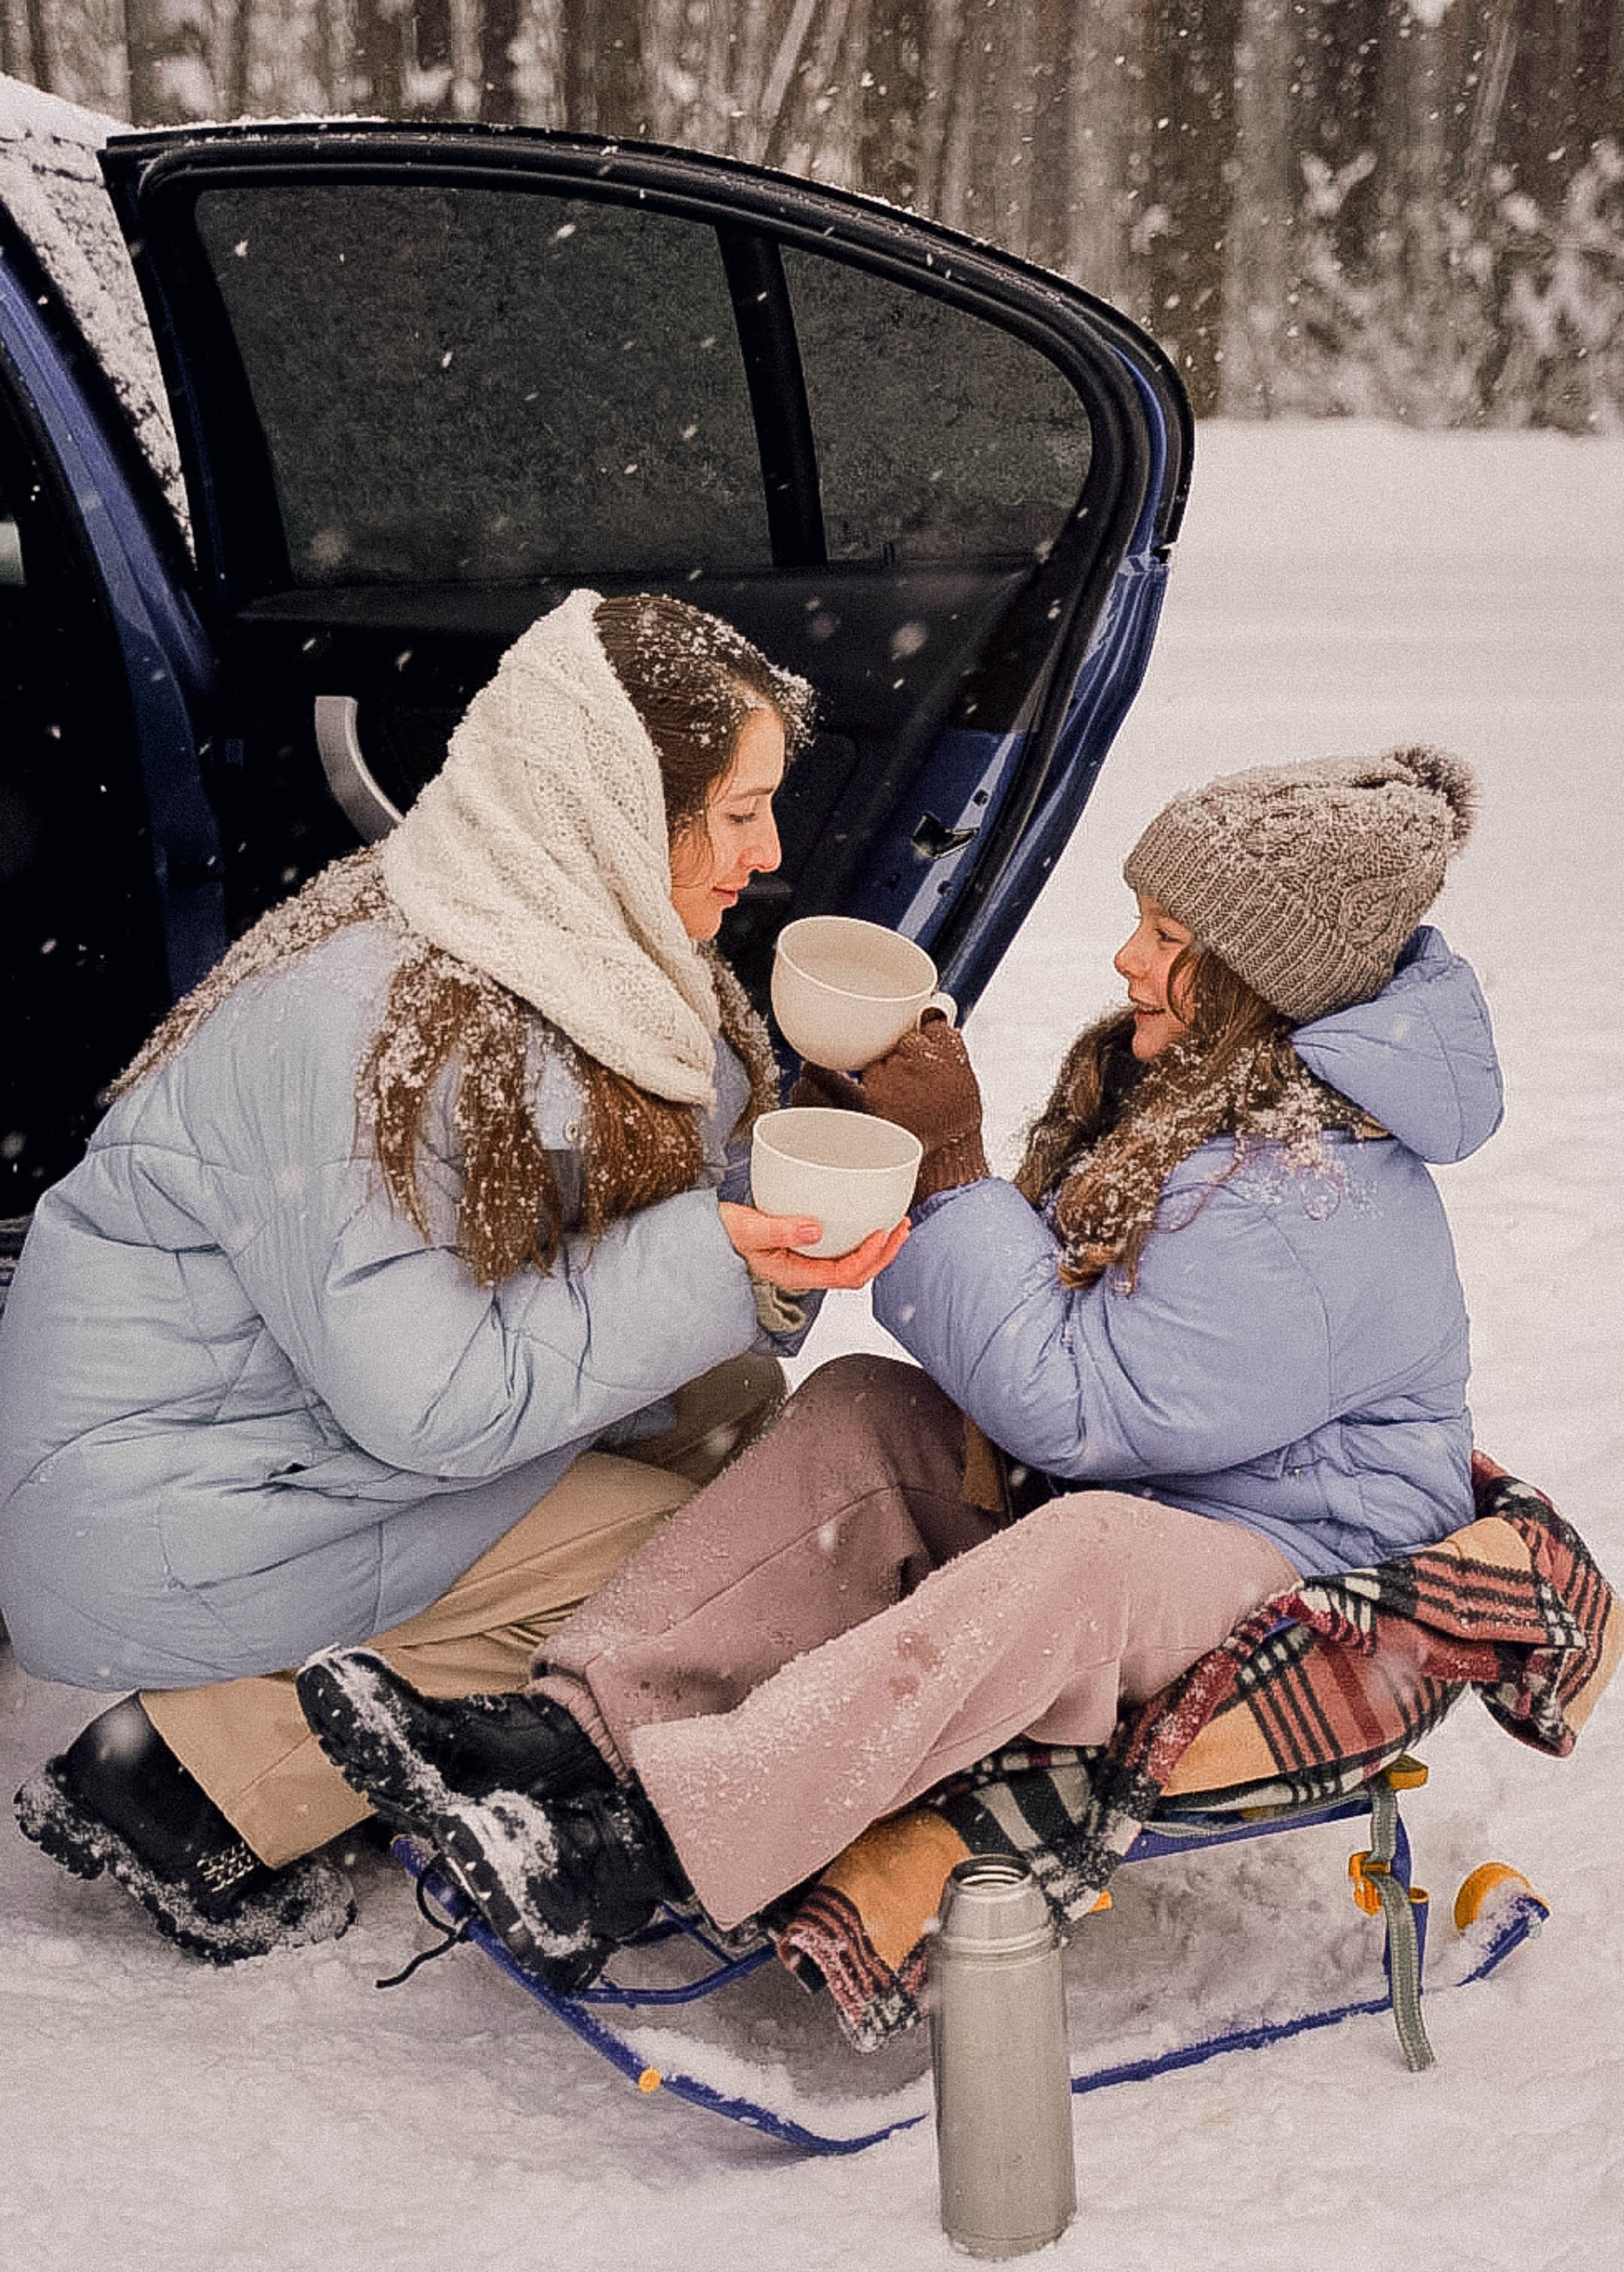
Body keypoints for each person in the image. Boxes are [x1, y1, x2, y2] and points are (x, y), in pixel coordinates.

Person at [297, 744, 1503, 1985]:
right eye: (1137, 923)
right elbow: (1069, 1327)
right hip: (1173, 1495)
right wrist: (900, 1150)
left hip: (1310, 1568)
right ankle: (566, 1735)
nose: (1126, 959)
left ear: (1259, 976)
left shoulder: (1306, 1197)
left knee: (1083, 1556)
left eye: (1165, 935)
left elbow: (1078, 1412)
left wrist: (950, 1171)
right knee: (867, 1409)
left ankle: (642, 1844)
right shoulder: (1211, 1094)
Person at [1, 588, 906, 1962]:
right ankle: (184, 1782)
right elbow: (428, 1409)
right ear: (612, 805)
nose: (769, 852)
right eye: (735, 811)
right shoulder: (370, 1026)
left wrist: (773, 1197)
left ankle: (448, 1704)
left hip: (290, 1441)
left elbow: (607, 1258)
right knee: (687, 1562)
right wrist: (711, 1251)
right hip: (174, 1501)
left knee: (729, 1418)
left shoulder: (554, 944)